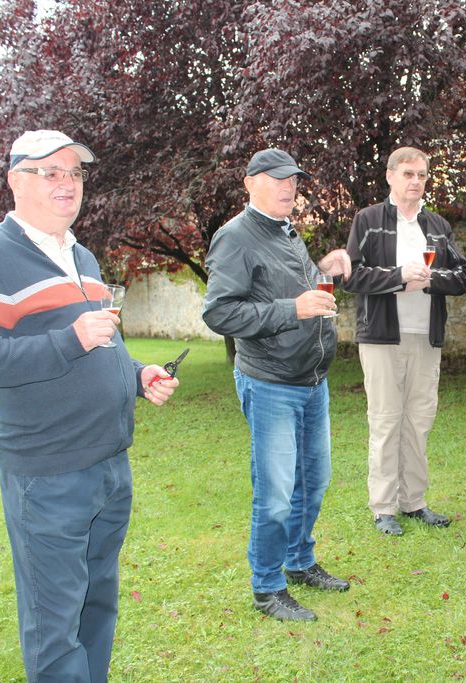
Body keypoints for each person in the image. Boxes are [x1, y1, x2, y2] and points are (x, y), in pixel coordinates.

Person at [0, 129, 179, 682]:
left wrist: (136, 375)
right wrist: (67, 340)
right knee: (55, 625)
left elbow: (104, 343)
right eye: (49, 171)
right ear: (15, 181)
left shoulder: (81, 255)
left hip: (109, 465)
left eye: (74, 172)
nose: (66, 183)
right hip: (48, 474)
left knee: (96, 606)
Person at [202, 148, 352, 622]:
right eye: (277, 179)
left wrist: (325, 269)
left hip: (312, 380)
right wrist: (294, 309)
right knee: (275, 494)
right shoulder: (235, 237)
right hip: (270, 383)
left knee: (313, 480)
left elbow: (293, 286)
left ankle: (299, 560)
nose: (289, 187)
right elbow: (219, 312)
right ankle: (267, 586)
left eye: (293, 180)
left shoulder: (286, 230)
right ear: (250, 183)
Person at [344, 147, 466, 536]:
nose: (416, 181)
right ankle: (384, 508)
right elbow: (352, 276)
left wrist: (430, 281)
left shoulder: (438, 226)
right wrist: (399, 276)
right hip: (382, 337)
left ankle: (414, 502)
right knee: (386, 421)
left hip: (426, 337)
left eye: (422, 175)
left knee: (419, 421)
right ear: (390, 176)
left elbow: (461, 277)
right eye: (408, 174)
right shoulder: (368, 220)